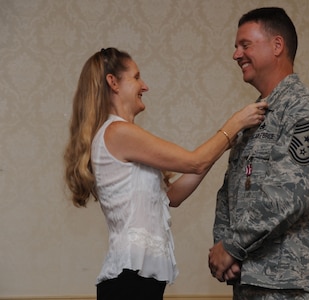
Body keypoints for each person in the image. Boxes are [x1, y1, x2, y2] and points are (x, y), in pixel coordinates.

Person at [63, 47, 267, 300]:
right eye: (136, 77)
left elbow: (173, 196)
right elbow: (195, 162)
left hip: (138, 279)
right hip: (129, 279)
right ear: (113, 82)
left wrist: (224, 143)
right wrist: (235, 123)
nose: (144, 86)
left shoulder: (118, 134)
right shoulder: (118, 132)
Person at [208, 7, 309, 300]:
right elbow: (228, 194)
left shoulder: (305, 109)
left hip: (290, 284)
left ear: (277, 45)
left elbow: (289, 193)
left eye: (245, 44)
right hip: (249, 280)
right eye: (236, 46)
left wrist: (230, 247)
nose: (236, 54)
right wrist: (224, 248)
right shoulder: (253, 117)